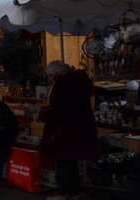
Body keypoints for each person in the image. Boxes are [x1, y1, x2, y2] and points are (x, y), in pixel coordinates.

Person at [40, 61, 97, 200]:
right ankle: (73, 192)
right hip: (78, 128)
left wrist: (44, 113)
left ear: (56, 74)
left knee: (63, 161)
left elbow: (60, 109)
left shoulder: (63, 85)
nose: (49, 78)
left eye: (50, 75)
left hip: (64, 130)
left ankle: (63, 193)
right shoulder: (78, 83)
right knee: (71, 162)